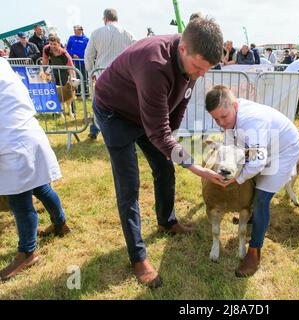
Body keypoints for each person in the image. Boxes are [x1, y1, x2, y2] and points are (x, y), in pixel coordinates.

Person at [92, 17, 224, 288]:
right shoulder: (154, 64)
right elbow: (159, 133)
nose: (200, 75)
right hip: (114, 112)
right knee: (129, 185)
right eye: (198, 68)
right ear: (183, 49)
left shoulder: (193, 63)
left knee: (165, 167)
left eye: (205, 70)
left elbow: (178, 107)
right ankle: (138, 257)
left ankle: (166, 220)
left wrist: (171, 147)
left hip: (145, 114)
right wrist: (193, 165)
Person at [205, 85, 299, 277]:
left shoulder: (252, 121)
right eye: (216, 119)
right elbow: (234, 148)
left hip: (282, 151)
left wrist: (236, 180)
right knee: (251, 184)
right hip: (263, 147)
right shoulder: (233, 116)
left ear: (234, 106)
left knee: (260, 199)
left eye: (223, 117)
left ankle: (254, 253)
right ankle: (247, 217)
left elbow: (257, 162)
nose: (220, 123)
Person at [0, 58, 71, 282]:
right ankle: (60, 224)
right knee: (40, 186)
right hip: (27, 132)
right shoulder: (4, 66)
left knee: (19, 201)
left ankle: (27, 253)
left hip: (12, 139)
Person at [85, 8, 136, 140]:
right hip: (122, 75)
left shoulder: (96, 33)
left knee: (99, 102)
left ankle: (95, 129)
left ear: (105, 19)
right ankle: (120, 131)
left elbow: (88, 55)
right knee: (121, 103)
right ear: (117, 19)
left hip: (101, 74)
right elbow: (136, 54)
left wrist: (91, 72)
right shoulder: (128, 34)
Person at [66, 25, 89, 98]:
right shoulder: (71, 38)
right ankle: (78, 93)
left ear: (81, 30)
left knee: (85, 77)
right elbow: (68, 49)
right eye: (74, 30)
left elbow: (89, 50)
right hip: (75, 62)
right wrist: (73, 55)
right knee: (77, 77)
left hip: (84, 62)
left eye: (76, 29)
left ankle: (86, 93)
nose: (74, 31)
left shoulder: (86, 39)